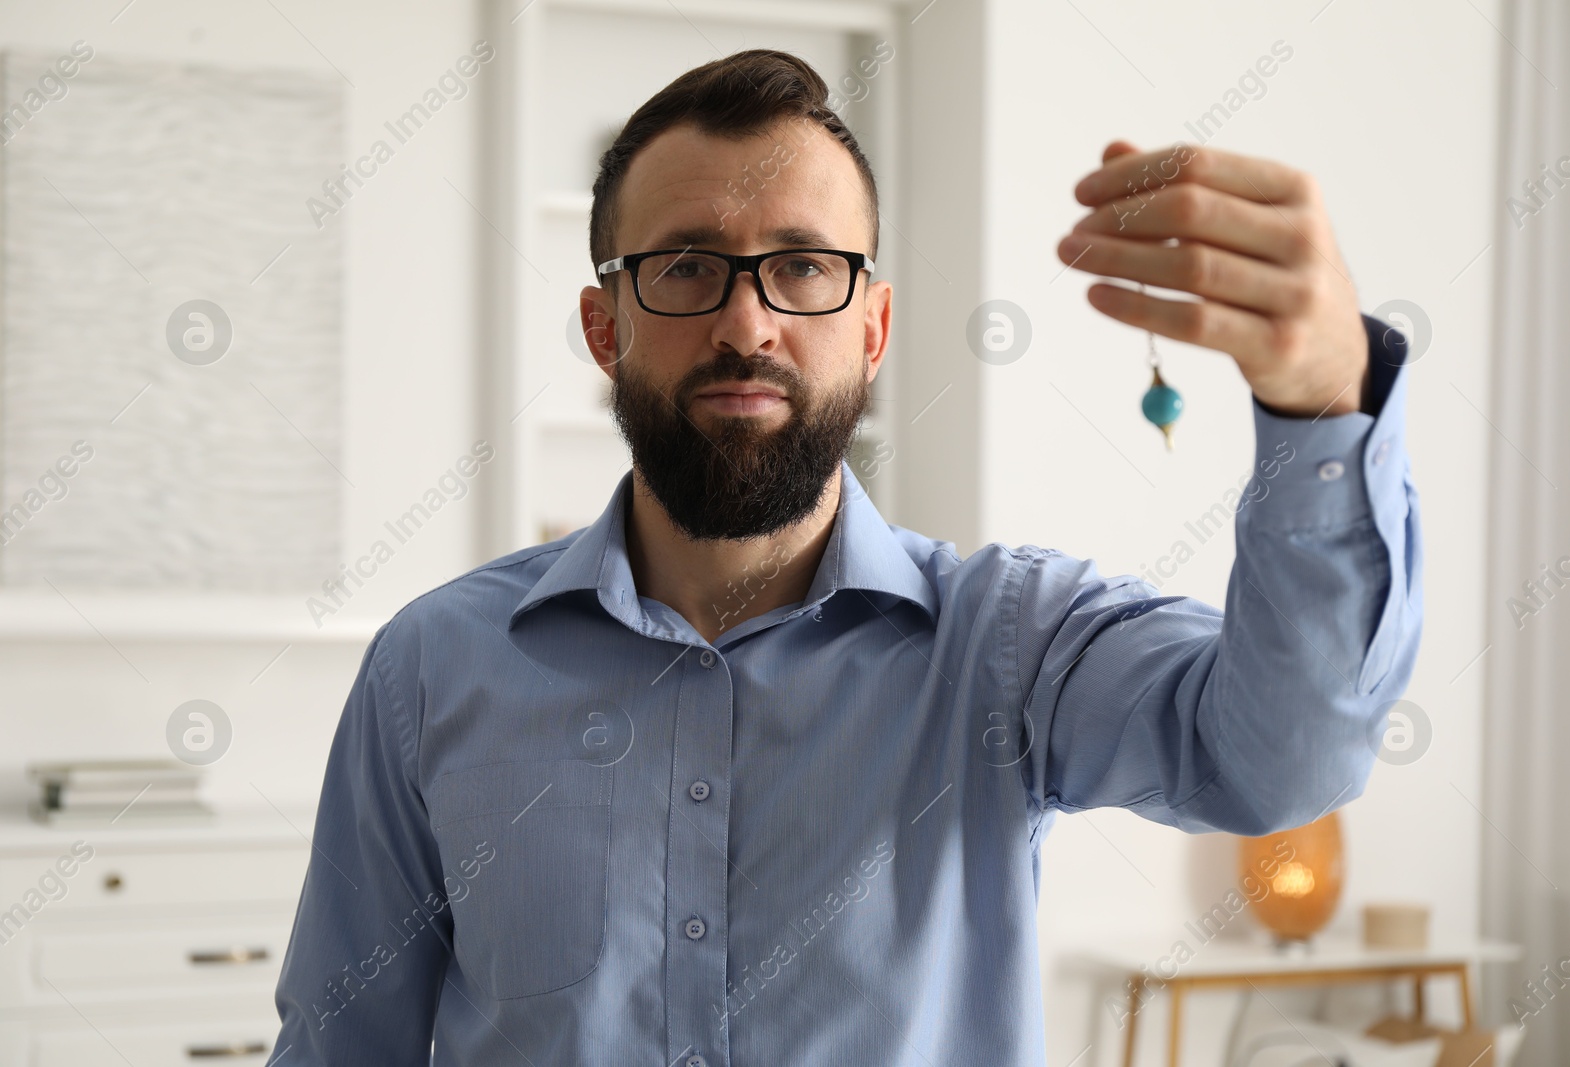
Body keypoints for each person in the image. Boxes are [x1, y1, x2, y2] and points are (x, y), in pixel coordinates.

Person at [271, 48, 1421, 1066]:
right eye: (683, 265)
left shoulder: (1012, 645)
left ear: (871, 328)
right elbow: (337, 1044)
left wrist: (1323, 405)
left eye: (804, 265)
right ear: (602, 327)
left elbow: (1283, 763)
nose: (746, 324)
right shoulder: (431, 665)